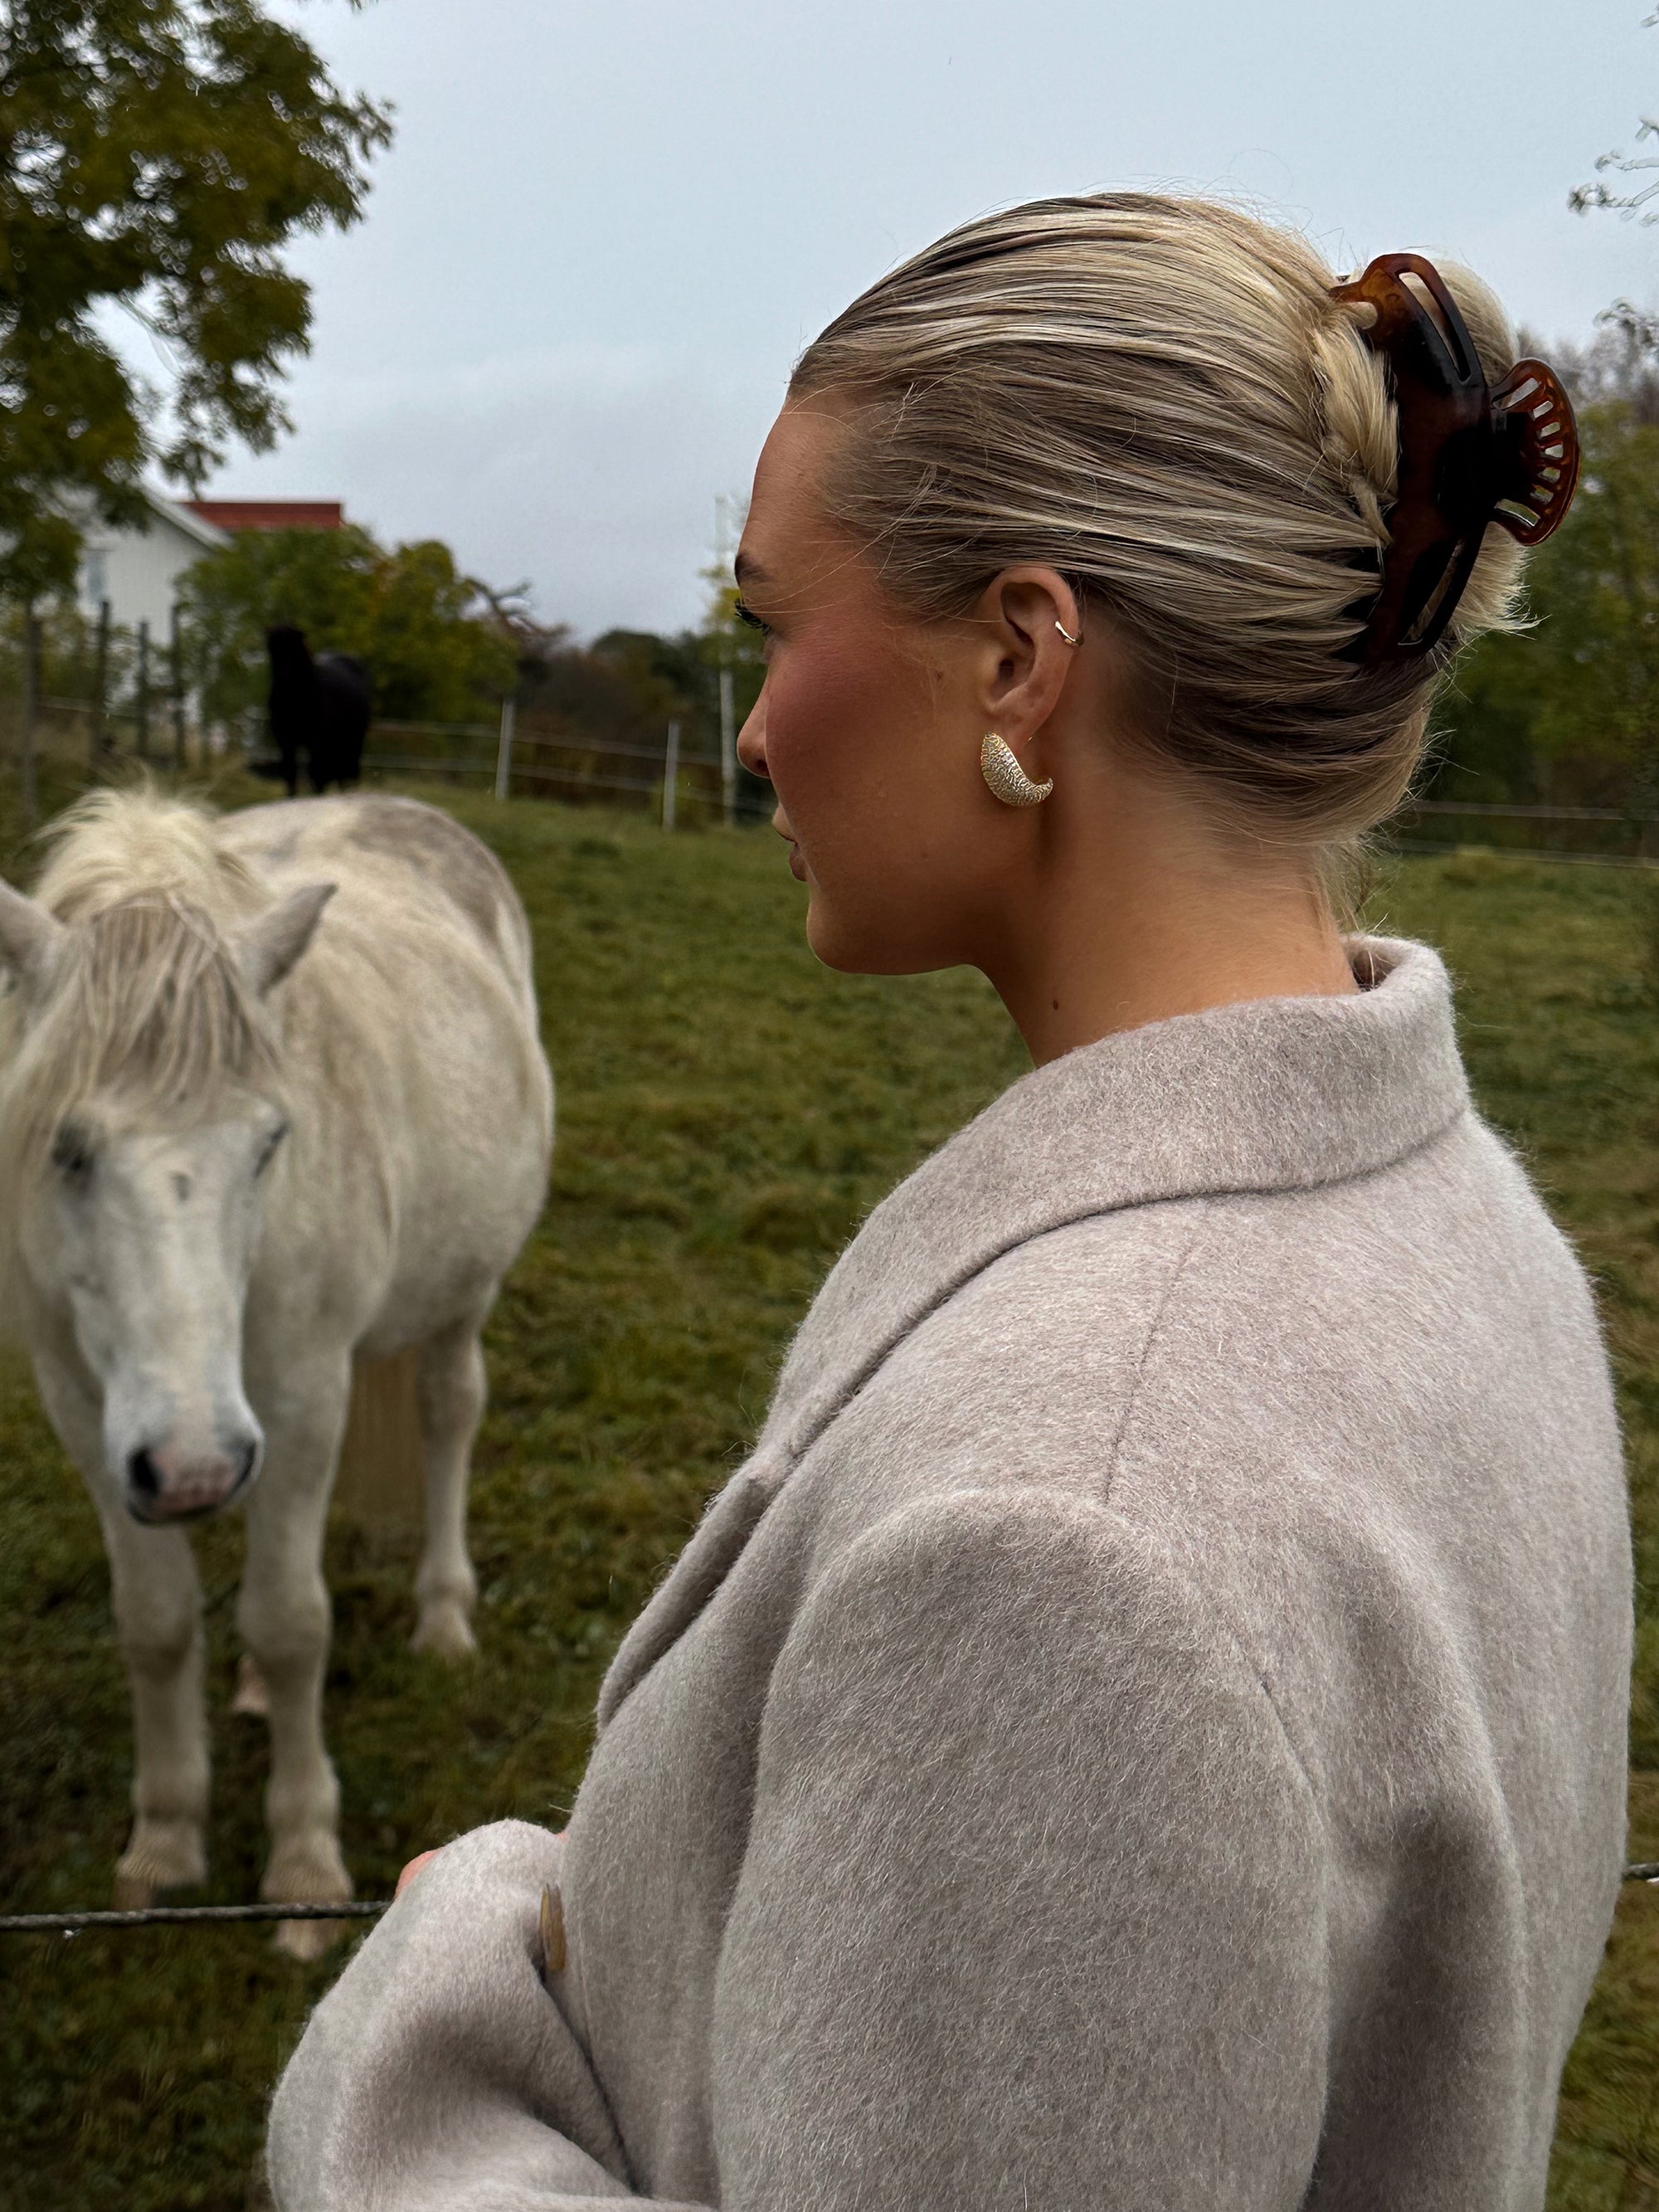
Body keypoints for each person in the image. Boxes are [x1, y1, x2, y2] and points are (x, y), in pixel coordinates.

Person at [266, 196, 1632, 2211]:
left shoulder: (1064, 1543)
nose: (747, 727)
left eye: (768, 624)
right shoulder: (1463, 1227)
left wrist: (439, 2011)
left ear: (1014, 653)